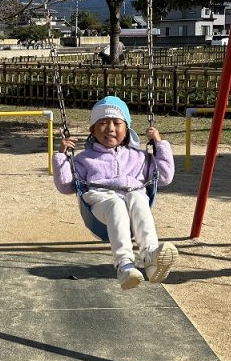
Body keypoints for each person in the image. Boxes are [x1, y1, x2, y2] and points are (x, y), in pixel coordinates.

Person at [51, 95, 178, 289]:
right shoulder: (85, 159)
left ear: (126, 129)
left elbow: (164, 177)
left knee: (138, 197)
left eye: (117, 123)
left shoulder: (139, 157)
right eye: (102, 123)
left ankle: (150, 257)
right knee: (116, 203)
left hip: (132, 198)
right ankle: (125, 265)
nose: (110, 128)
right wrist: (61, 155)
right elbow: (66, 186)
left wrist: (159, 144)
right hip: (100, 201)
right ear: (92, 129)